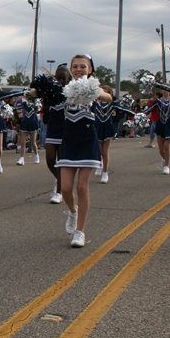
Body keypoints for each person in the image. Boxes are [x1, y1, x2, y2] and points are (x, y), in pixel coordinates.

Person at [56, 55, 112, 248]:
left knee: (81, 187)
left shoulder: (93, 87)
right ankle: (73, 211)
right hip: (69, 140)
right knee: (65, 188)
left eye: (83, 66)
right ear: (71, 69)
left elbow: (108, 97)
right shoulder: (65, 88)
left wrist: (95, 92)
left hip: (88, 140)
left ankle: (80, 232)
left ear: (90, 70)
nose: (79, 69)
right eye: (75, 66)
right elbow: (41, 93)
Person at [93, 86, 134, 184]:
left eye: (106, 93)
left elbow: (124, 109)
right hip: (98, 128)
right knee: (99, 151)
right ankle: (99, 165)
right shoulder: (95, 104)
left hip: (108, 128)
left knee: (105, 151)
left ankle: (105, 173)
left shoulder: (112, 104)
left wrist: (135, 115)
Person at [43, 64, 71, 203]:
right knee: (49, 160)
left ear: (68, 79)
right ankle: (60, 180)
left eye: (63, 79)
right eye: (58, 78)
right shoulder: (50, 91)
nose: (60, 81)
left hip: (65, 130)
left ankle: (58, 192)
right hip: (52, 129)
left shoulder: (71, 92)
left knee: (61, 162)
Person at [143, 90, 170, 174]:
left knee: (167, 146)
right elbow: (148, 110)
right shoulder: (157, 101)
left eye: (166, 90)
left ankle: (167, 166)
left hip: (169, 125)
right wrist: (140, 115)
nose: (164, 92)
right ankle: (164, 159)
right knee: (161, 149)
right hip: (160, 125)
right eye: (163, 90)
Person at [16, 96, 40, 166]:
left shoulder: (35, 104)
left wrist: (37, 104)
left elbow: (38, 110)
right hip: (25, 124)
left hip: (33, 124)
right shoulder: (24, 103)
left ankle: (36, 155)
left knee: (33, 142)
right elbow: (18, 108)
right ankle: (22, 158)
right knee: (23, 142)